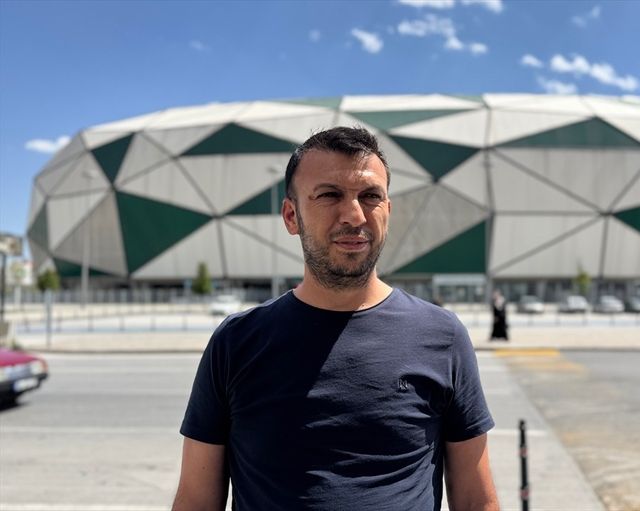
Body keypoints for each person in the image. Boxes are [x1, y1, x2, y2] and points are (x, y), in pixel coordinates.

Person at [173, 127, 498, 510]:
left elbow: (476, 500)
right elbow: (196, 500)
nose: (354, 215)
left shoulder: (442, 337)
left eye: (371, 196)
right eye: (329, 195)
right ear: (291, 216)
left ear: (388, 211)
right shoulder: (236, 342)